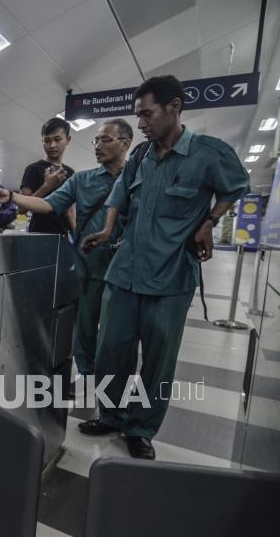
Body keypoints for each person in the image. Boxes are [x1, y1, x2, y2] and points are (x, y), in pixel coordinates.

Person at [77, 75, 249, 460]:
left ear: (174, 107)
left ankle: (140, 428)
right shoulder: (139, 156)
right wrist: (106, 230)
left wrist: (209, 222)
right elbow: (121, 194)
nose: (141, 124)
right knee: (111, 351)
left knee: (157, 362)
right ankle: (112, 414)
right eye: (138, 115)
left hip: (171, 277)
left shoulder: (209, 153)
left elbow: (238, 185)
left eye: (147, 114)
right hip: (124, 273)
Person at [0, 119, 133, 381]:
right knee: (84, 330)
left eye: (105, 140)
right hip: (89, 268)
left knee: (117, 337)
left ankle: (112, 391)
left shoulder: (138, 180)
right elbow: (49, 204)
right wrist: (12, 197)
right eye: (96, 140)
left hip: (124, 272)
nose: (98, 146)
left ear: (125, 144)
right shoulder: (82, 180)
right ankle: (90, 382)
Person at [20, 118, 76, 235]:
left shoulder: (70, 173)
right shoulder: (33, 169)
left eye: (57, 139)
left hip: (62, 236)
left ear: (68, 140)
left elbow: (70, 212)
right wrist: (46, 187)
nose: (52, 145)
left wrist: (79, 239)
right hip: (38, 236)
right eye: (47, 141)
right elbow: (21, 210)